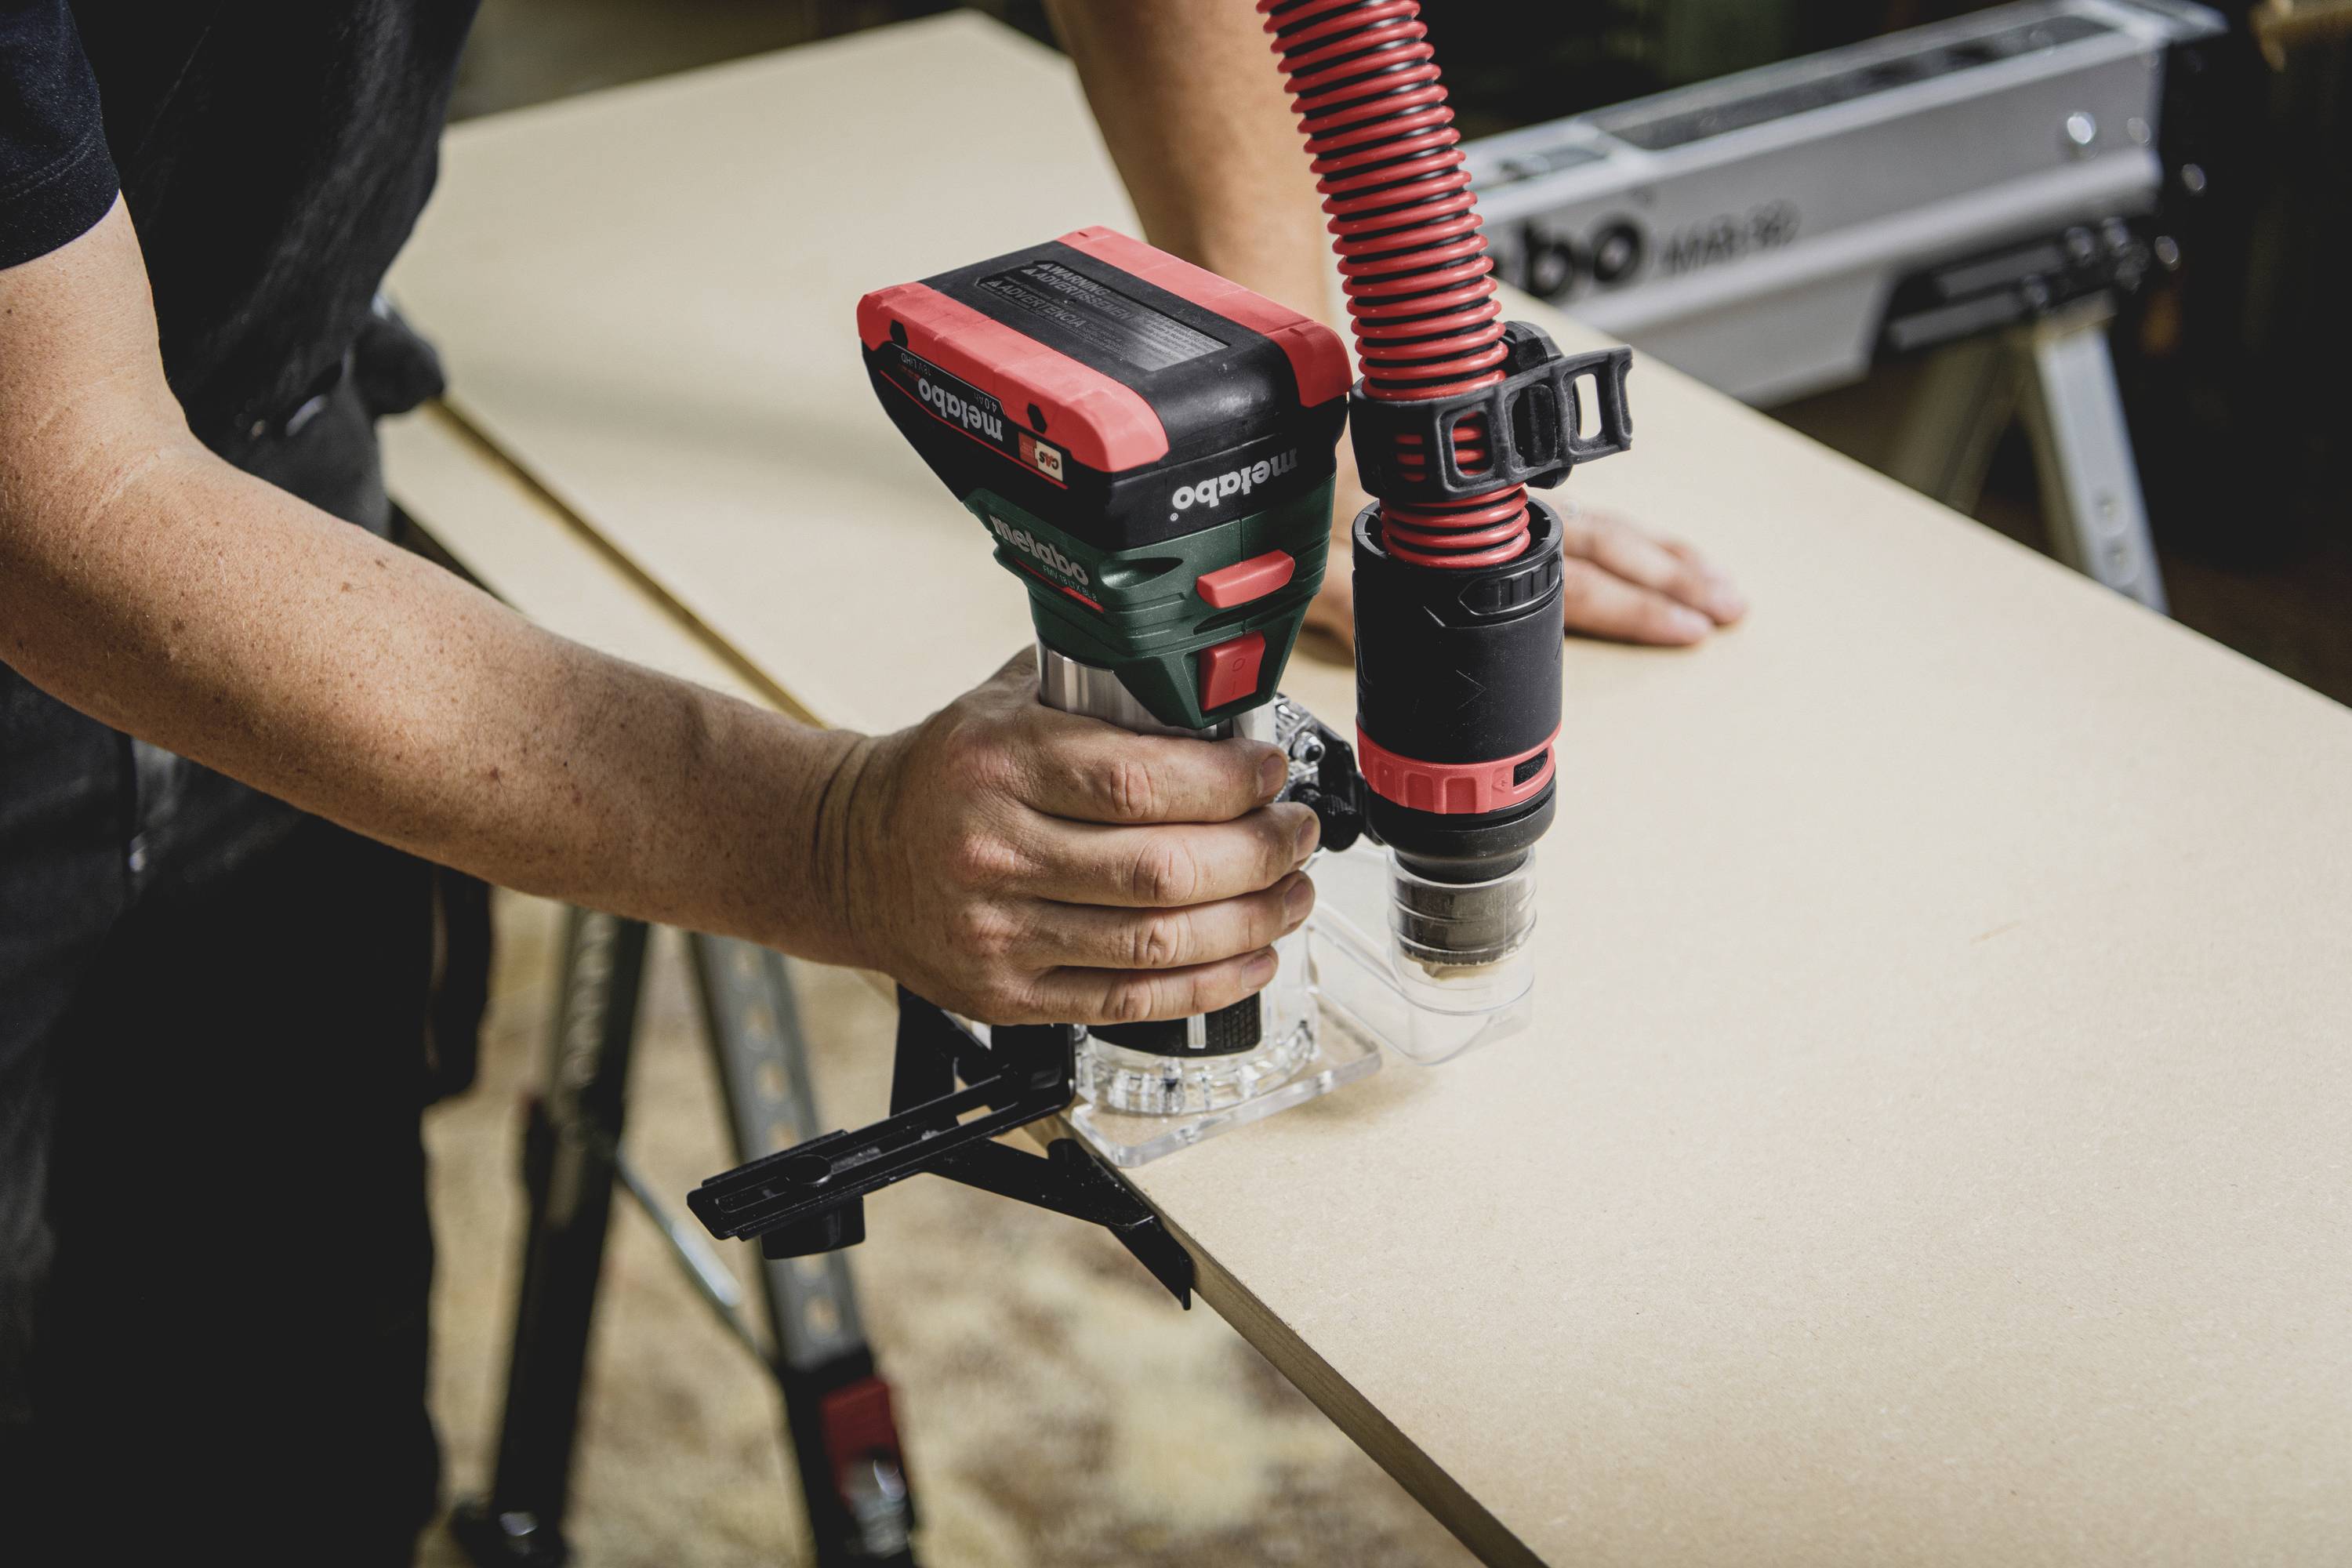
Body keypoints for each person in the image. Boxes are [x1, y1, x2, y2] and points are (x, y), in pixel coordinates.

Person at [0, 1, 1741, 1559]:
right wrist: (830, 841)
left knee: (289, 1417)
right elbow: (60, 498)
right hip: (48, 533)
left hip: (280, 441)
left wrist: (1290, 469)